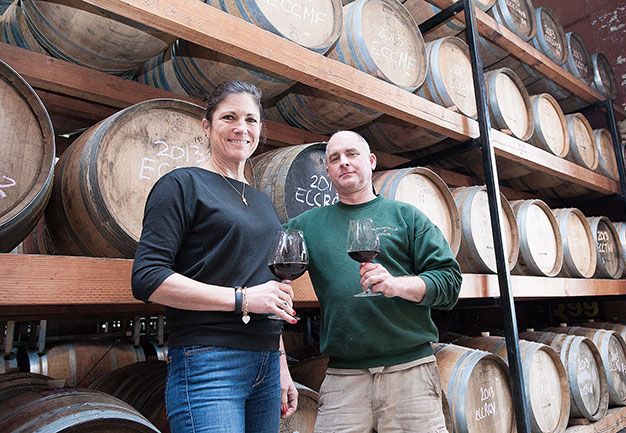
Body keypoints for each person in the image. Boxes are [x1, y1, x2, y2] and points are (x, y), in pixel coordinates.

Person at [131, 80, 299, 433]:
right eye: (229, 117)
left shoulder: (262, 202)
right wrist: (242, 299)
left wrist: (281, 362)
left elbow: (266, 289)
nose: (242, 128)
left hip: (266, 365)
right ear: (206, 126)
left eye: (251, 120)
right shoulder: (182, 184)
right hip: (209, 360)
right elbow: (147, 277)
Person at [286, 130, 462, 433]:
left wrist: (397, 285)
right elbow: (268, 270)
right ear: (327, 171)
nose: (343, 162)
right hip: (344, 379)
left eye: (351, 154)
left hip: (411, 374)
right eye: (334, 158)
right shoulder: (306, 226)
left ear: (371, 161)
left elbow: (449, 283)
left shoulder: (407, 217)